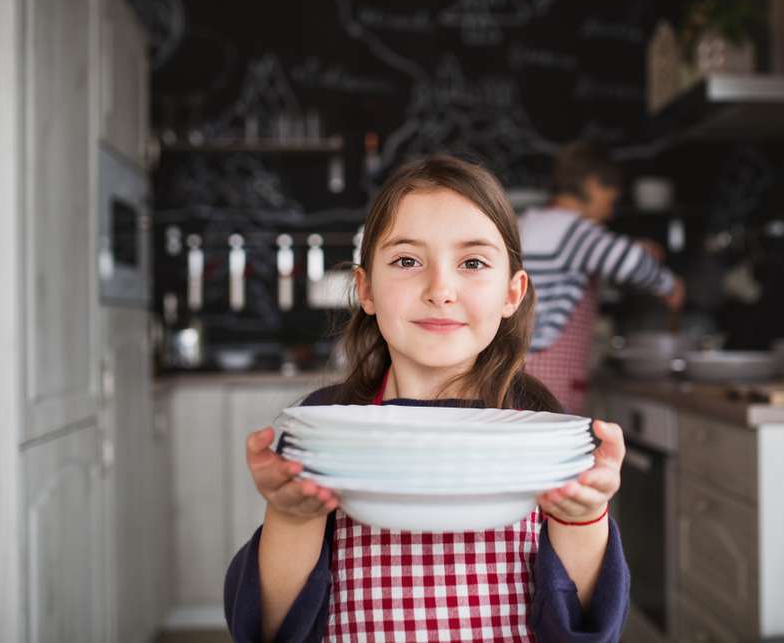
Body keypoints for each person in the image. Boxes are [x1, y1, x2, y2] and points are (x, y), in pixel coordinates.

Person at [224, 155, 630, 642]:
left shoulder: (542, 432)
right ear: (366, 289)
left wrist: (582, 518)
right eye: (407, 261)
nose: (441, 289)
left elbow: (586, 627)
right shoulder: (323, 427)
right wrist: (291, 518)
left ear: (512, 293)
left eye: (473, 263)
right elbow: (269, 628)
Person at [520, 142, 685, 413]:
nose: (610, 212)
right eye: (610, 201)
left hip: (517, 367)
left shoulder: (529, 221)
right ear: (593, 184)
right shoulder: (575, 230)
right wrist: (669, 284)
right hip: (545, 374)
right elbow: (629, 261)